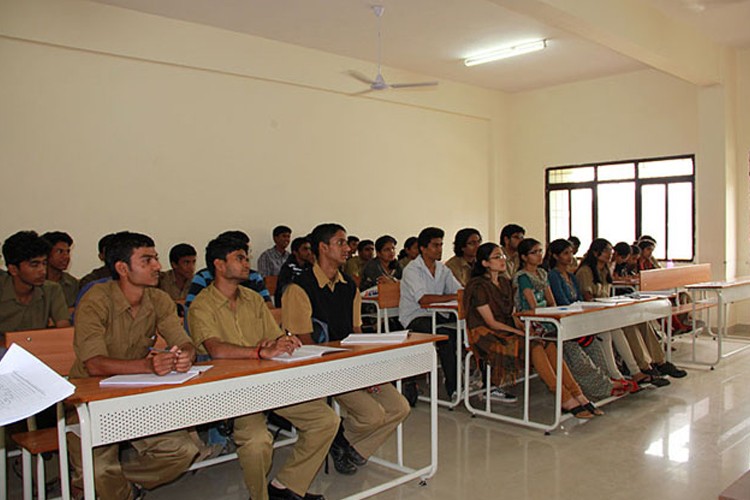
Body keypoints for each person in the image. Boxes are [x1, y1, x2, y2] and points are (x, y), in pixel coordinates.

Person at [189, 234, 336, 500]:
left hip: (269, 383)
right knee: (258, 443)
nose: (248, 264)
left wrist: (284, 341)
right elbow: (216, 349)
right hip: (233, 390)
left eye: (246, 257)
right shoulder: (202, 304)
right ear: (219, 265)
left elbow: (274, 337)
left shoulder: (253, 299)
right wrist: (259, 351)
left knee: (326, 420)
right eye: (240, 258)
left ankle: (287, 486)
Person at [68, 231, 199, 499]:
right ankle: (115, 487)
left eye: (156, 259)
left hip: (136, 395)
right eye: (147, 260)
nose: (157, 267)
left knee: (183, 451)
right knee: (100, 468)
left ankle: (116, 483)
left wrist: (185, 355)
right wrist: (149, 366)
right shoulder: (95, 300)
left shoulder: (159, 299)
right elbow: (94, 365)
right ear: (122, 268)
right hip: (89, 399)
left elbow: (184, 342)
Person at [282, 223, 409, 476]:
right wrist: (346, 369)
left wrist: (366, 370)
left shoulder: (349, 285)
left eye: (347, 242)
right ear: (323, 247)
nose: (348, 248)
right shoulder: (300, 287)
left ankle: (349, 447)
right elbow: (306, 344)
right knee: (372, 415)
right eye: (341, 242)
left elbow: (356, 333)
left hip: (349, 363)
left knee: (400, 407)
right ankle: (338, 439)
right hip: (320, 367)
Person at [398, 227, 497, 401]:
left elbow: (459, 290)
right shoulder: (412, 270)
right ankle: (454, 388)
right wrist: (453, 296)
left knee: (475, 328)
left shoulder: (442, 269)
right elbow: (423, 300)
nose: (440, 249)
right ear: (423, 248)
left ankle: (488, 383)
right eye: (435, 245)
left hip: (439, 314)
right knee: (446, 336)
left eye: (441, 245)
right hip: (416, 317)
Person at [511, 238, 601, 418]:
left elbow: (550, 301)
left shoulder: (543, 274)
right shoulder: (522, 277)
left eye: (539, 251)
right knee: (547, 347)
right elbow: (532, 305)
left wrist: (555, 313)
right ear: (523, 257)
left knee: (554, 349)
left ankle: (578, 395)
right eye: (534, 252)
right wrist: (547, 317)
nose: (539, 255)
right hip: (531, 320)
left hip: (546, 318)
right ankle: (566, 398)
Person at [545, 239, 632, 400]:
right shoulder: (553, 275)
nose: (570, 256)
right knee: (578, 351)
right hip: (567, 320)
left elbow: (578, 298)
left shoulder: (571, 276)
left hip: (579, 317)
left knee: (599, 342)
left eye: (571, 252)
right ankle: (603, 385)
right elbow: (562, 301)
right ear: (555, 256)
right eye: (565, 253)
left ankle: (610, 377)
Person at [576, 239, 670, 387]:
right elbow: (588, 298)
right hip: (594, 313)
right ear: (596, 252)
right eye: (606, 251)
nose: (610, 254)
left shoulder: (605, 269)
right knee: (617, 329)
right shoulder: (585, 271)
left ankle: (653, 363)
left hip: (607, 311)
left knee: (637, 322)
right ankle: (631, 371)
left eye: (610, 251)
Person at [0, 231, 70, 350]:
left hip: (38, 350)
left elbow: (64, 330)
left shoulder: (51, 289)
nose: (42, 271)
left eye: (44, 263)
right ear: (13, 269)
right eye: (34, 265)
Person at [184, 231, 273, 320]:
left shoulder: (254, 279)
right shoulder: (202, 278)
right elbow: (190, 310)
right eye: (240, 257)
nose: (246, 263)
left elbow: (268, 308)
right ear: (220, 263)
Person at [41, 231, 79, 307]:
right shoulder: (34, 281)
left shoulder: (72, 283)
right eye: (60, 251)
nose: (66, 257)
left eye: (68, 252)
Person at [275, 236, 314, 307]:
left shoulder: (310, 266)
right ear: (295, 252)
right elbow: (286, 290)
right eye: (305, 249)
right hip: (290, 305)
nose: (309, 252)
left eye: (309, 249)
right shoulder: (288, 268)